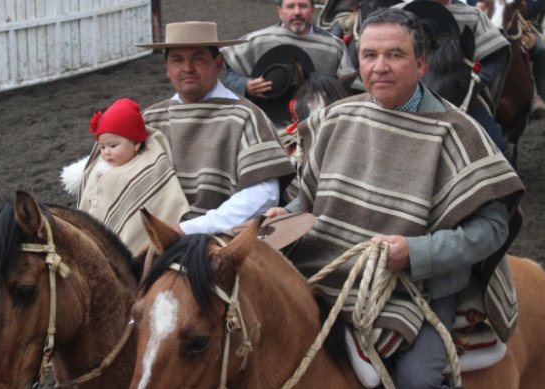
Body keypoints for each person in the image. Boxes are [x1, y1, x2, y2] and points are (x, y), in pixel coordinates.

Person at [268, 8, 524, 388]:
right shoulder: (337, 118)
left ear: (421, 63)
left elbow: (491, 229)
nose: (380, 66)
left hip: (417, 284)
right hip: (326, 266)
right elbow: (307, 202)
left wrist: (415, 253)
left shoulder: (458, 133)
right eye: (370, 55)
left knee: (416, 381)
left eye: (395, 55)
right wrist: (282, 217)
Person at [136, 21, 296, 236]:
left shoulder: (244, 116)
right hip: (154, 234)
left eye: (198, 58)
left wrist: (190, 229)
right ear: (167, 68)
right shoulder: (150, 119)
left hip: (220, 241)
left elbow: (263, 193)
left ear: (219, 63)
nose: (187, 68)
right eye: (177, 60)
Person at [70, 98, 190, 255]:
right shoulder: (99, 168)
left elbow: (162, 200)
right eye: (102, 147)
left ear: (136, 144)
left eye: (113, 146)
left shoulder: (148, 166)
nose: (106, 152)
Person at [220, 0, 354, 127]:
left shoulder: (334, 46)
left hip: (317, 127)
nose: (297, 12)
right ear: (280, 11)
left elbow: (346, 88)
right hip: (264, 125)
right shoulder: (257, 41)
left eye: (303, 6)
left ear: (313, 10)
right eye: (290, 6)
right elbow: (230, 77)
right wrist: (246, 85)